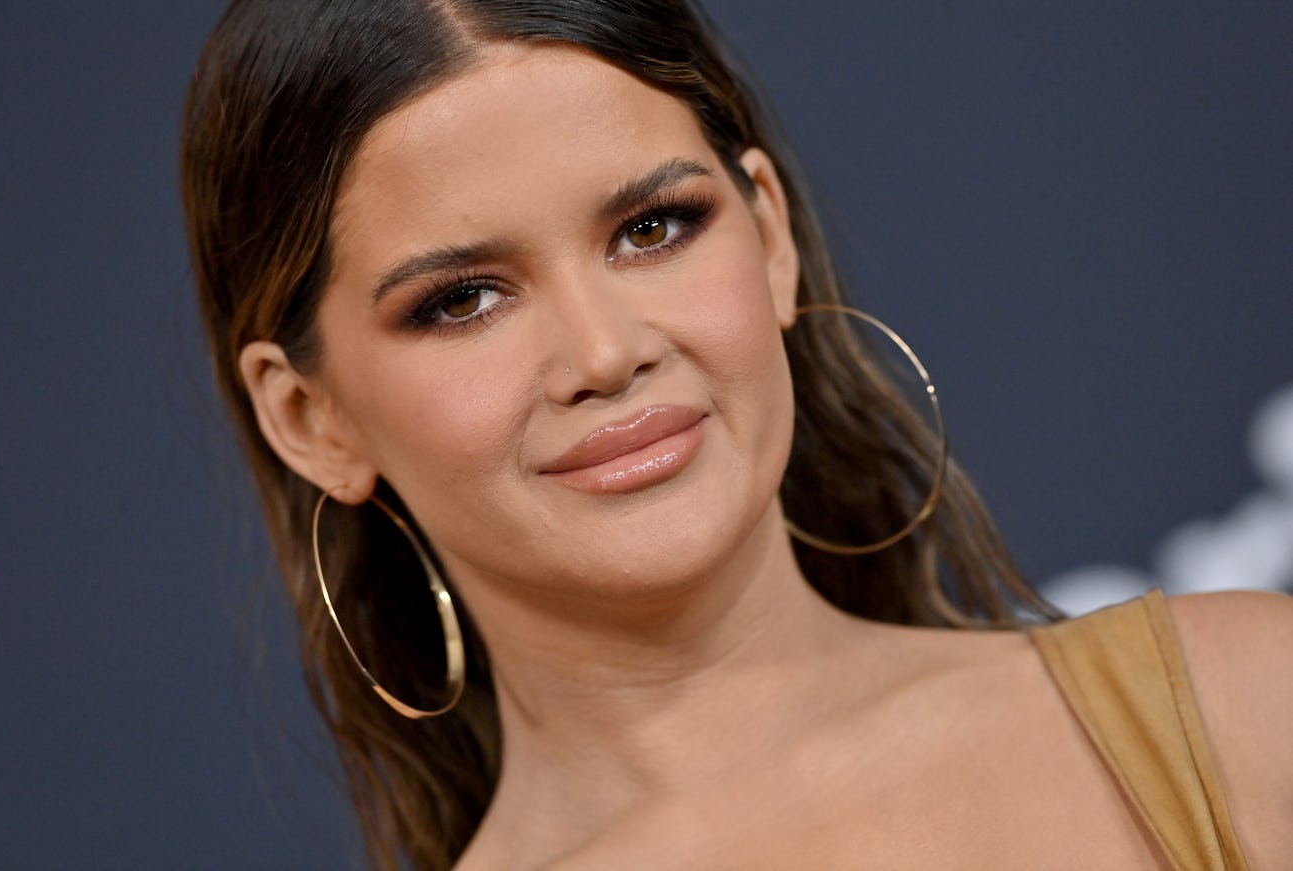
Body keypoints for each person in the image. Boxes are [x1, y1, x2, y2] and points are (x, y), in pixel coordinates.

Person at [181, 2, 1293, 868]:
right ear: (309, 416)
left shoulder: (1246, 703)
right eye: (462, 300)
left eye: (652, 229)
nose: (605, 353)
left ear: (767, 236)